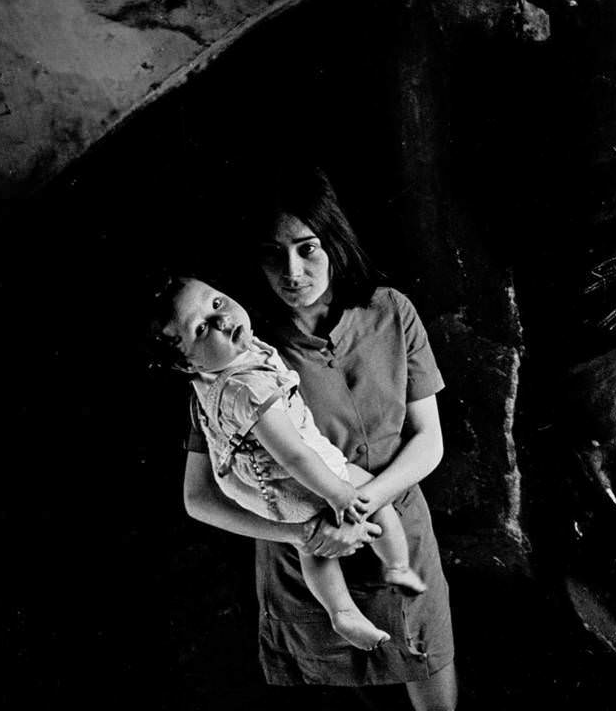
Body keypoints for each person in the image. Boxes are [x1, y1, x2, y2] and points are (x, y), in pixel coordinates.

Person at [179, 167, 457, 711]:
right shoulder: (237, 354)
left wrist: (363, 503)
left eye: (308, 249)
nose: (293, 272)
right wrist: (305, 530)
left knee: (437, 705)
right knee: (337, 694)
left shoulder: (390, 311)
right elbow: (198, 496)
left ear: (335, 241)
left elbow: (428, 441)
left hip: (395, 524)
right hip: (304, 550)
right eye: (271, 254)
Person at [153, 276, 427, 651]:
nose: (222, 321)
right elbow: (295, 455)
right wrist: (340, 495)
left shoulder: (209, 381)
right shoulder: (248, 389)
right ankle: (397, 566)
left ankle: (340, 611)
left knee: (311, 546)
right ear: (186, 364)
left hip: (262, 494)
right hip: (292, 476)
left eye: (217, 304)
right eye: (201, 329)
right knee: (375, 502)